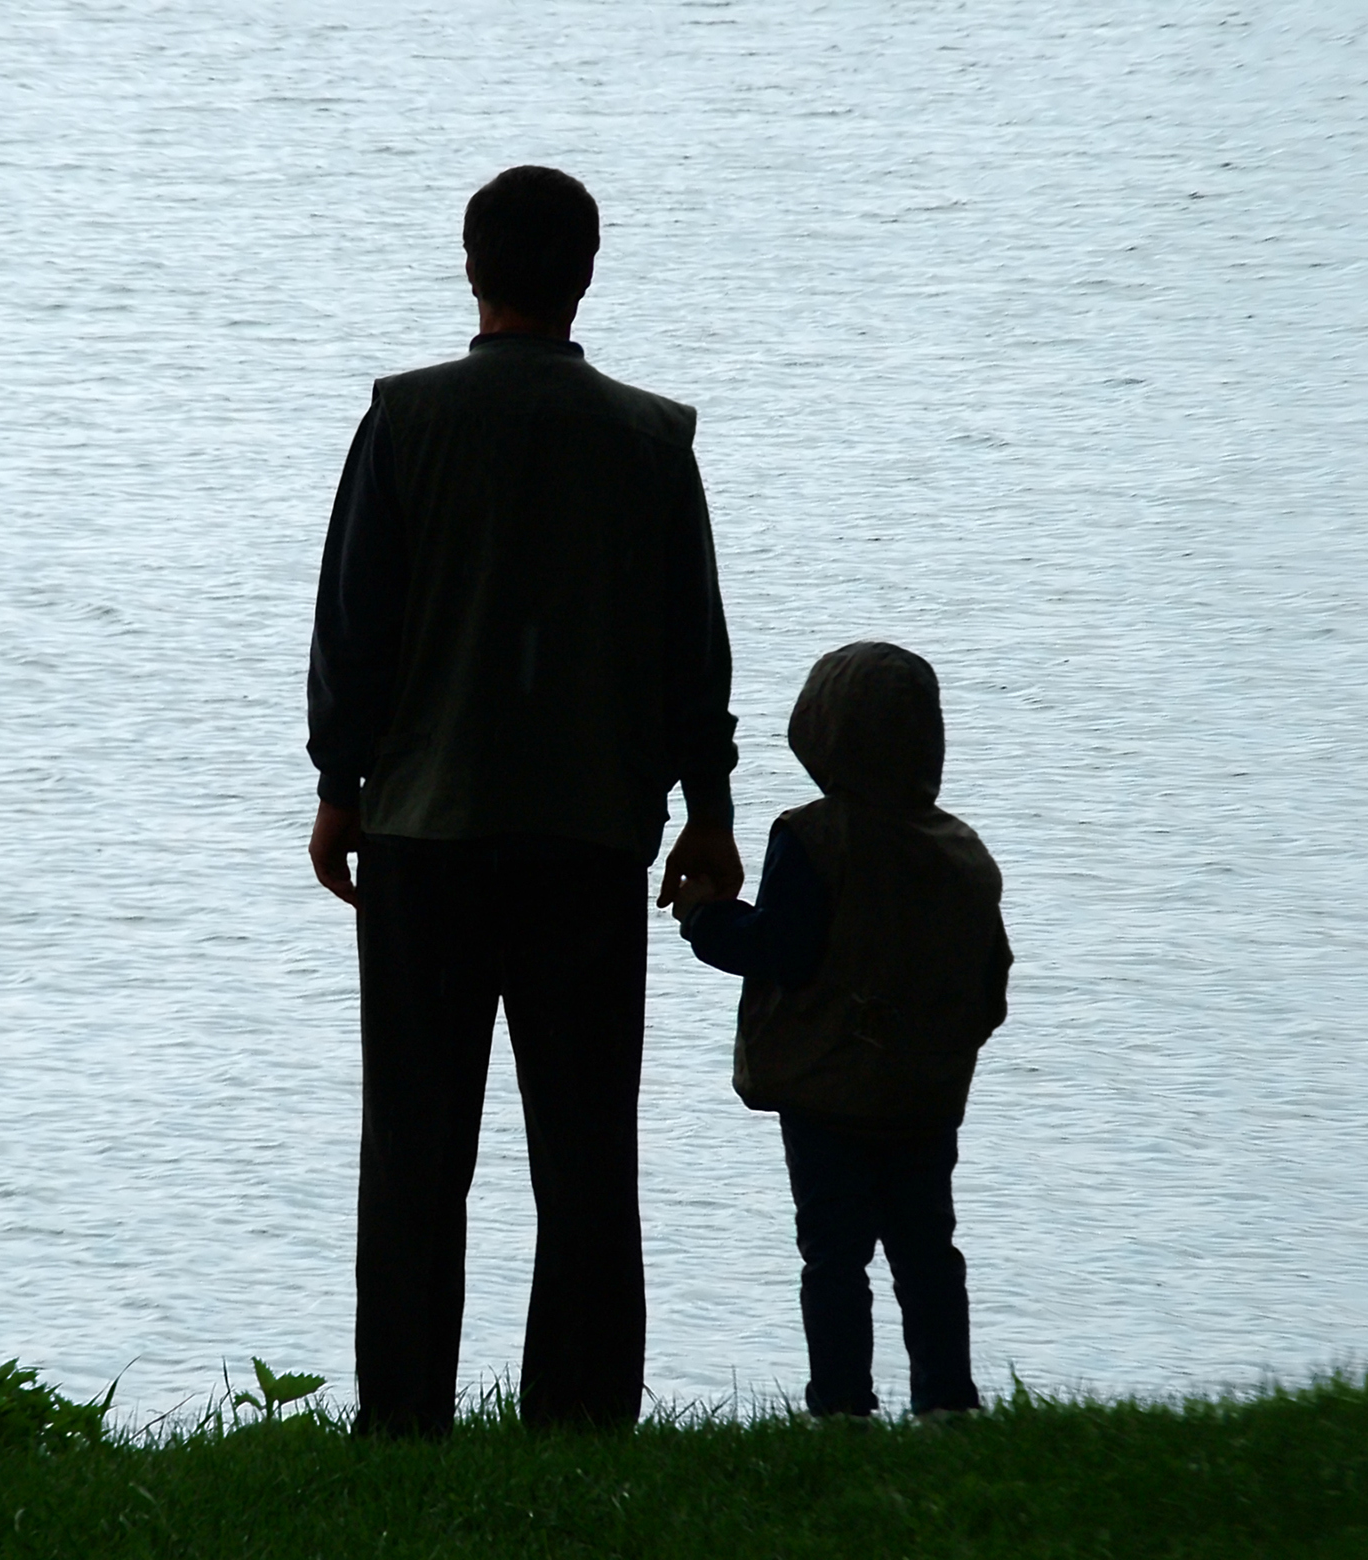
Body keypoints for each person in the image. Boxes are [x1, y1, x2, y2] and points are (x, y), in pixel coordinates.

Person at [305, 165, 741, 1434]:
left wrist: (340, 785)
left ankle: (401, 1424)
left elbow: (354, 626)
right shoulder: (654, 439)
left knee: (415, 1155)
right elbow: (689, 650)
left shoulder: (402, 416)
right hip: (589, 840)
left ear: (469, 267)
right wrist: (706, 809)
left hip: (423, 839)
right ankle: (582, 1415)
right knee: (587, 1155)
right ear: (588, 271)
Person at [674, 641, 1012, 1419]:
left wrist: (703, 915)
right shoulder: (961, 850)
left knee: (834, 1255)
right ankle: (947, 1402)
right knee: (927, 1249)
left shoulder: (813, 837)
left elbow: (780, 953)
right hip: (925, 1094)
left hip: (826, 1090)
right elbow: (988, 982)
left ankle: (841, 1408)